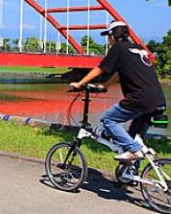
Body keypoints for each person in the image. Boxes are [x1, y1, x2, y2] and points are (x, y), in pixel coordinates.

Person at [70, 20, 166, 161]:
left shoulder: (118, 48)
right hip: (158, 100)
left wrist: (79, 84)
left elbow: (100, 69)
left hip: (139, 99)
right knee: (133, 137)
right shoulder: (139, 48)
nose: (108, 40)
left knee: (108, 119)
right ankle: (131, 176)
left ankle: (134, 150)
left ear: (112, 36)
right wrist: (105, 86)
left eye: (108, 37)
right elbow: (118, 72)